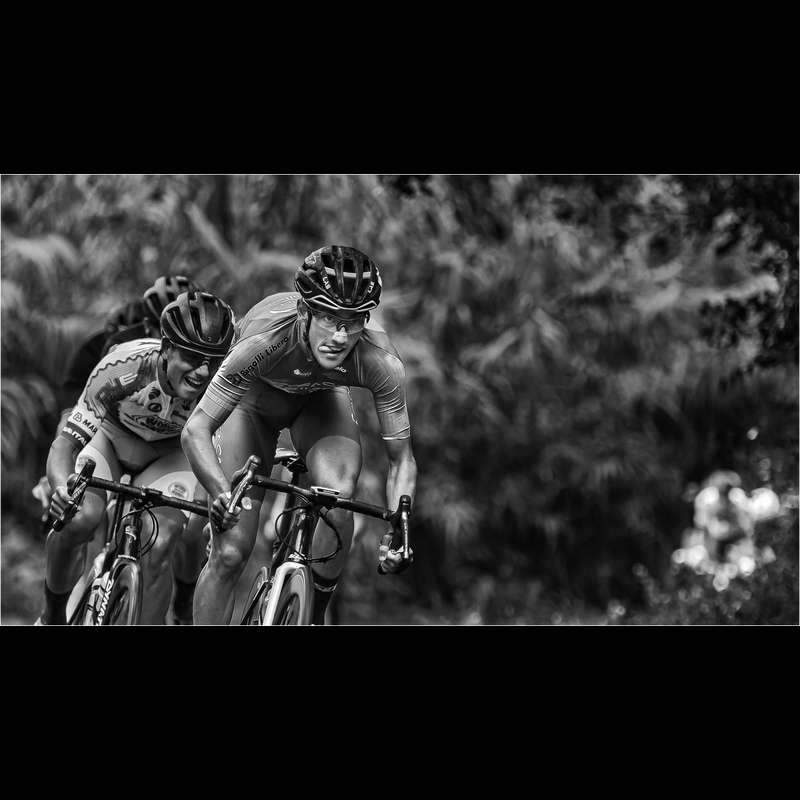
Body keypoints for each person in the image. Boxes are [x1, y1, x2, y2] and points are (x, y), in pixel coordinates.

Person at [181, 245, 417, 625]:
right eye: (328, 318)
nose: (340, 336)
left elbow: (401, 459)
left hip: (320, 401)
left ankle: (314, 614)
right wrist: (220, 492)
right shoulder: (263, 340)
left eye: (353, 321)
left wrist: (400, 527)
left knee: (338, 499)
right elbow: (196, 430)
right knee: (230, 552)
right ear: (304, 311)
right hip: (253, 405)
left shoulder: (380, 360)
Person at [36, 290, 235, 625]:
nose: (203, 371)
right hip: (111, 440)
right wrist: (59, 488)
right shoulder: (123, 366)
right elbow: (65, 445)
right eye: (192, 356)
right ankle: (53, 612)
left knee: (160, 542)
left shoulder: (222, 388)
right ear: (167, 348)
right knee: (81, 517)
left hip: (172, 453)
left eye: (213, 360)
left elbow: (213, 462)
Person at [32, 276, 200, 521]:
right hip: (108, 424)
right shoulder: (118, 346)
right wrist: (58, 478)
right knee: (84, 515)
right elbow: (73, 416)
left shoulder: (201, 368)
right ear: (148, 326)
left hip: (166, 448)